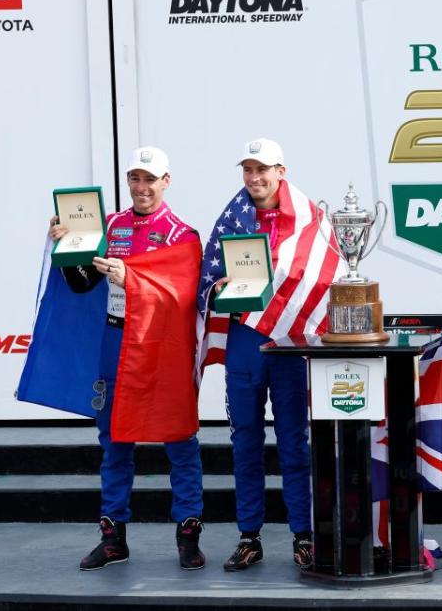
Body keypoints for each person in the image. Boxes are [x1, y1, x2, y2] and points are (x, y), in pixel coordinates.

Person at [49, 147, 206, 571]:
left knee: (179, 438)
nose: (142, 188)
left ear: (166, 181)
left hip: (162, 344)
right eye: (135, 179)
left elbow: (184, 296)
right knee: (114, 439)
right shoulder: (110, 224)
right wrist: (67, 248)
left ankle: (188, 535)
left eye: (150, 179)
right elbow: (82, 284)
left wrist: (131, 278)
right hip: (117, 341)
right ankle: (113, 537)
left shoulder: (182, 234)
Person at [197, 138, 342, 572]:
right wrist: (218, 288)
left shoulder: (310, 220)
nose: (255, 178)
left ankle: (303, 536)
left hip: (289, 342)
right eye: (248, 170)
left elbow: (320, 278)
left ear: (282, 170)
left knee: (295, 441)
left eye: (263, 169)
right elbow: (210, 276)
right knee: (245, 440)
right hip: (244, 337)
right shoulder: (233, 217)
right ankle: (249, 537)